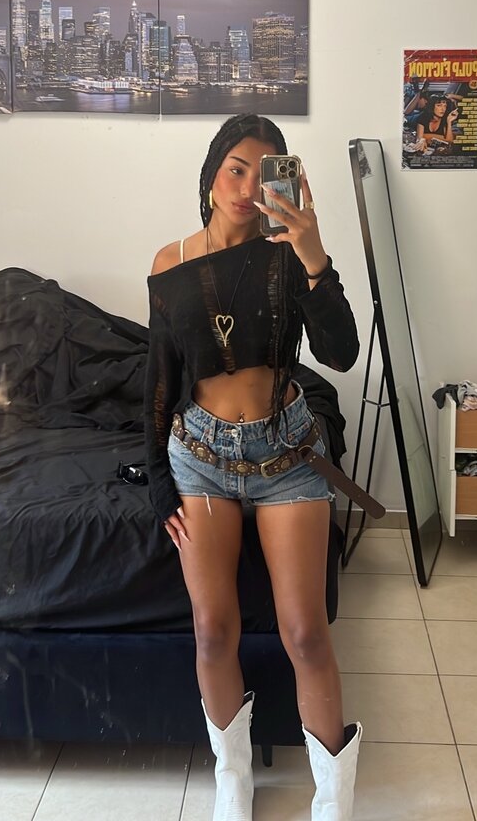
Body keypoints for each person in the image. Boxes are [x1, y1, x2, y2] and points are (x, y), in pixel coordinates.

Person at [144, 113, 362, 821]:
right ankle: (232, 777)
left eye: (262, 174)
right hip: (200, 458)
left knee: (305, 632)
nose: (244, 187)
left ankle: (333, 797)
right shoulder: (169, 262)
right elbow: (160, 379)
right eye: (234, 168)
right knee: (213, 630)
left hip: (286, 453)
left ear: (282, 184)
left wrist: (315, 255)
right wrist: (157, 483)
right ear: (212, 173)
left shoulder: (286, 254)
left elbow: (341, 353)